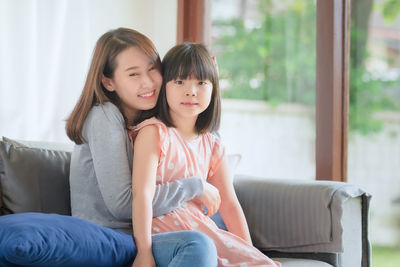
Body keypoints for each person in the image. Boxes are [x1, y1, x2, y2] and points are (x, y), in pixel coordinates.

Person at [66, 28, 219, 267]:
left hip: (148, 231)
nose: (148, 82)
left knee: (214, 223)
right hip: (111, 238)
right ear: (108, 81)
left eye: (152, 69)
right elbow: (123, 205)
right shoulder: (104, 117)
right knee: (197, 244)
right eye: (133, 74)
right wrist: (194, 186)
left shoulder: (148, 122)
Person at [129, 43, 280, 267]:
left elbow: (229, 204)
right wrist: (144, 252)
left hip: (199, 227)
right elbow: (141, 194)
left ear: (213, 87)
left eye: (201, 82)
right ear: (164, 86)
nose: (191, 91)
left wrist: (248, 251)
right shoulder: (154, 133)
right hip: (165, 233)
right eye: (180, 82)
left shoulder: (212, 143)